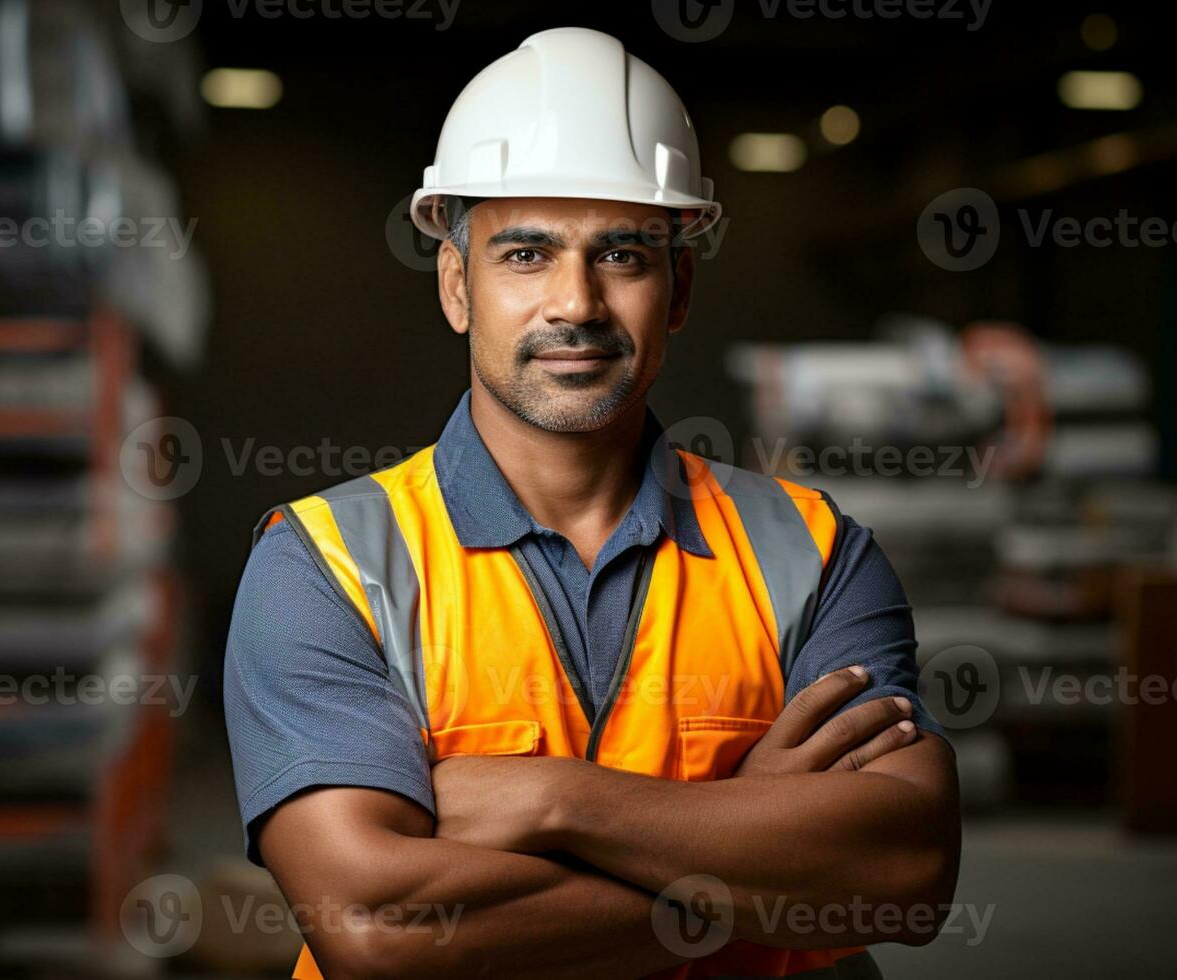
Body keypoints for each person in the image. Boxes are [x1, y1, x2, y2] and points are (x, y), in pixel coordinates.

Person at [224, 27, 960, 979]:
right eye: (526, 255)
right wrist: (747, 833)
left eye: (622, 255)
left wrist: (559, 802)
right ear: (458, 286)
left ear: (679, 285)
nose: (576, 303)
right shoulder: (327, 565)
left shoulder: (812, 552)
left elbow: (904, 870)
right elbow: (379, 929)